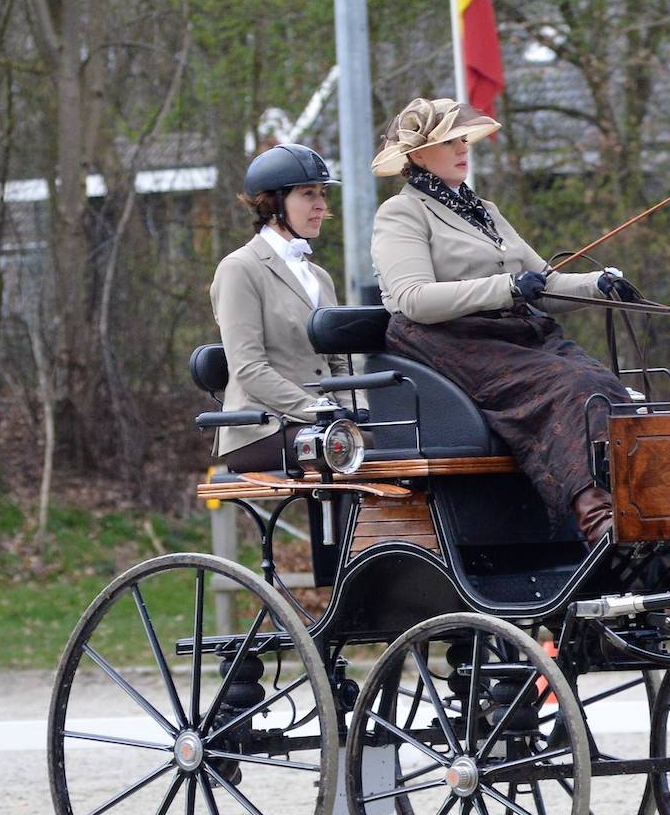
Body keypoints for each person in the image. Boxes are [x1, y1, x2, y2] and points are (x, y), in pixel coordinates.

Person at [369, 97, 640, 546]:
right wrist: (508, 288)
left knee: (605, 385)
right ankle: (597, 518)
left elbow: (545, 284)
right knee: (571, 386)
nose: (463, 148)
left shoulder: (485, 210)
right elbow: (413, 299)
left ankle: (639, 502)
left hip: (514, 333)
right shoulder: (401, 213)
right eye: (450, 142)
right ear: (418, 155)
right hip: (449, 339)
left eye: (464, 140)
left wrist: (600, 284)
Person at [209, 143, 348, 473]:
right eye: (308, 194)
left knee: (391, 441)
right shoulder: (239, 269)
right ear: (273, 203)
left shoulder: (319, 277)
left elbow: (340, 363)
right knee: (355, 448)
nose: (321, 205)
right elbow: (249, 368)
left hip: (322, 423)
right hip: (261, 428)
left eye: (322, 194)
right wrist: (319, 410)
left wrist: (356, 408)